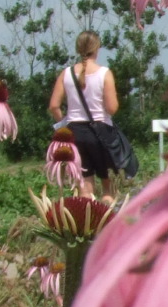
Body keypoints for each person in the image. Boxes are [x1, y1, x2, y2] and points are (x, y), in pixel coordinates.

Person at [49, 31, 121, 197]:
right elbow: (112, 108)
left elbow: (54, 106)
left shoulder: (66, 74)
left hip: (75, 133)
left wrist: (63, 124)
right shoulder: (105, 73)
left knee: (85, 189)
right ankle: (108, 220)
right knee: (108, 190)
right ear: (97, 48)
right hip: (101, 132)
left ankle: (88, 221)